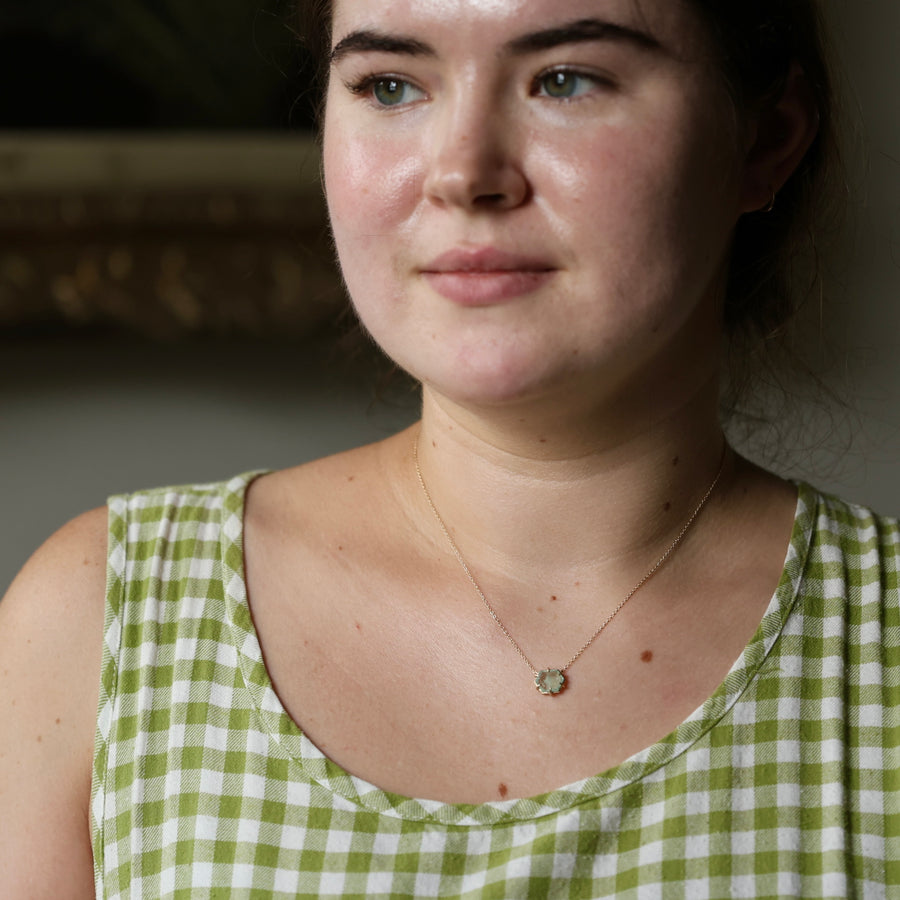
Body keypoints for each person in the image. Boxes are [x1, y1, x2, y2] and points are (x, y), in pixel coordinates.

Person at [1, 0, 897, 896]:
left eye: (565, 81)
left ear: (767, 138)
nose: (464, 174)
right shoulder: (100, 625)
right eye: (391, 86)